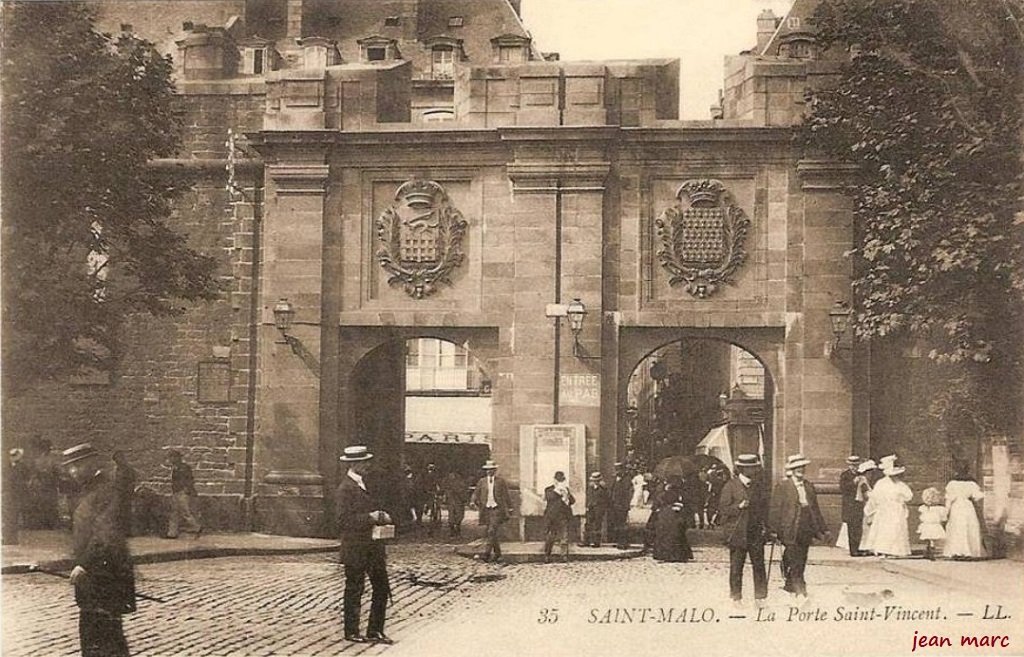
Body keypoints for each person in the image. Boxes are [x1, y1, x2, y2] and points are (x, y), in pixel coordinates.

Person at [60, 443, 135, 657]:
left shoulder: (107, 490)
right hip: (94, 579)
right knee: (96, 636)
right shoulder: (86, 490)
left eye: (77, 466)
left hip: (107, 576)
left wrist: (84, 564)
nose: (72, 472)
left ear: (91, 464)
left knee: (107, 638)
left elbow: (106, 533)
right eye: (70, 467)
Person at [335, 445, 393, 644]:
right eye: (363, 462)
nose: (367, 465)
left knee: (382, 587)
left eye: (367, 461)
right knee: (355, 588)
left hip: (373, 548)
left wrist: (381, 516)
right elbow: (343, 521)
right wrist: (370, 517)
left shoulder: (365, 483)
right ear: (353, 464)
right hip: (355, 548)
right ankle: (351, 631)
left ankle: (375, 630)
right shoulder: (345, 488)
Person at [770, 454, 828, 600]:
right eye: (797, 467)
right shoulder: (783, 486)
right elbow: (776, 509)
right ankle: (800, 590)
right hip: (789, 527)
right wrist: (773, 530)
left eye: (802, 467)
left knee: (801, 558)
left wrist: (824, 529)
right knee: (795, 558)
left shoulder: (809, 486)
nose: (800, 469)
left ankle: (790, 583)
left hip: (806, 526)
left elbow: (815, 509)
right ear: (792, 469)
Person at [718, 454, 769, 607]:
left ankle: (760, 598)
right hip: (737, 532)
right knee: (736, 566)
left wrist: (767, 528)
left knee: (759, 566)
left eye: (754, 468)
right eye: (749, 468)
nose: (753, 471)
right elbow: (723, 509)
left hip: (755, 533)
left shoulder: (758, 486)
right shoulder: (730, 486)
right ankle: (736, 598)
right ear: (742, 469)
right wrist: (738, 507)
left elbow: (764, 509)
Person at [861, 455, 912, 557]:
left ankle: (896, 550)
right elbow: (875, 498)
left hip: (897, 510)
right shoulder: (881, 484)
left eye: (896, 475)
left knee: (896, 528)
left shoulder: (900, 485)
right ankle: (883, 550)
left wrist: (900, 501)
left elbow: (908, 495)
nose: (894, 477)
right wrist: (870, 511)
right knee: (884, 529)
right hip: (884, 510)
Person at [470, 460, 513, 562]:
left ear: (495, 470)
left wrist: (510, 507)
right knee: (492, 533)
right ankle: (498, 553)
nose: (489, 471)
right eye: (487, 470)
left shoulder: (501, 481)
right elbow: (476, 493)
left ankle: (486, 554)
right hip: (486, 510)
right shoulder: (482, 481)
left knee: (491, 531)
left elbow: (506, 495)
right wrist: (473, 501)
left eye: (491, 470)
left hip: (497, 509)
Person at [943, 462, 987, 559]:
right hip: (967, 506)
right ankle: (970, 551)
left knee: (957, 528)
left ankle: (957, 551)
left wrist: (946, 511)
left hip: (957, 506)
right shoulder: (972, 484)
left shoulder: (952, 484)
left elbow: (949, 499)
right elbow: (977, 496)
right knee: (968, 526)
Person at [166, 450, 202, 539]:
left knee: (185, 512)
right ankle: (172, 533)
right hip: (176, 492)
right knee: (174, 512)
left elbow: (190, 480)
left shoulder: (185, 467)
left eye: (173, 457)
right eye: (170, 457)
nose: (171, 459)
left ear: (178, 458)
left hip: (182, 492)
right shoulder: (175, 468)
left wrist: (186, 490)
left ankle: (196, 527)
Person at [542, 471, 576, 562]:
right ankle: (547, 555)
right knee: (550, 537)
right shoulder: (549, 490)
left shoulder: (566, 489)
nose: (560, 482)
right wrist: (559, 492)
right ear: (554, 480)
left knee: (564, 537)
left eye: (562, 480)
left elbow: (572, 501)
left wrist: (566, 496)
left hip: (563, 516)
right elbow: (549, 498)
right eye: (558, 480)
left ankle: (564, 556)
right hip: (552, 517)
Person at [28, 437, 60, 529]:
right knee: (48, 504)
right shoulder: (49, 460)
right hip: (46, 485)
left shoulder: (39, 460)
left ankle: (45, 524)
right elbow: (57, 471)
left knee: (46, 503)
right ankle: (47, 523)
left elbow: (56, 472)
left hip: (45, 485)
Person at [839, 455, 865, 557]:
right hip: (849, 505)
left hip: (858, 504)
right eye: (852, 465)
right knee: (851, 528)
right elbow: (842, 488)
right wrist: (853, 483)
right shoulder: (845, 475)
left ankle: (857, 548)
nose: (854, 467)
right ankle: (853, 550)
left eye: (856, 465)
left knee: (858, 528)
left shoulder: (860, 475)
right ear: (849, 466)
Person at [3, 448, 28, 544]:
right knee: (8, 517)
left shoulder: (22, 467)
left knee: (13, 517)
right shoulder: (6, 467)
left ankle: (12, 539)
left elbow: (24, 480)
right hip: (8, 494)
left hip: (15, 494)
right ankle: (8, 539)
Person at [854, 459, 878, 554]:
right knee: (866, 527)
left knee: (869, 528)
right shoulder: (863, 481)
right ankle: (864, 547)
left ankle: (868, 547)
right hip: (866, 506)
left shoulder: (866, 481)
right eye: (870, 472)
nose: (871, 474)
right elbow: (864, 494)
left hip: (870, 506)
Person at [917, 487, 947, 560]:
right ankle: (930, 550)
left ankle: (929, 550)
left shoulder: (923, 508)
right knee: (932, 539)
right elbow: (943, 518)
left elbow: (921, 517)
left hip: (928, 525)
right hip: (934, 525)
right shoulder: (940, 509)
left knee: (930, 539)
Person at [112, 451, 137, 535]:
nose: (118, 461)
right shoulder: (116, 469)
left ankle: (127, 531)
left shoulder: (128, 469)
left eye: (119, 458)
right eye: (116, 460)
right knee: (118, 512)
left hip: (126, 493)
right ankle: (120, 530)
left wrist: (130, 492)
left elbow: (132, 481)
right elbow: (114, 481)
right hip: (118, 493)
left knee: (126, 512)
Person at [609, 463, 633, 549]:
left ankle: (623, 542)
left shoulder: (626, 479)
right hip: (615, 505)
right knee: (617, 524)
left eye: (618, 469)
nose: (617, 471)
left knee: (622, 524)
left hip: (622, 505)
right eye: (616, 469)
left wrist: (626, 504)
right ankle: (618, 540)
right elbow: (612, 490)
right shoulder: (616, 478)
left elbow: (628, 492)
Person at [582, 472, 608, 547]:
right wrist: (587, 506)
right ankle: (586, 541)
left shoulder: (603, 489)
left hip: (599, 508)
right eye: (593, 480)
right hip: (591, 508)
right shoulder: (590, 488)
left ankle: (596, 542)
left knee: (597, 525)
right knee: (588, 524)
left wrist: (602, 508)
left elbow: (605, 499)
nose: (595, 482)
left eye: (597, 480)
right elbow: (588, 497)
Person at [442, 471, 467, 539]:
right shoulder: (447, 481)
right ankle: (453, 532)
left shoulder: (460, 481)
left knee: (458, 516)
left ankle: (457, 531)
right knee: (452, 516)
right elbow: (444, 489)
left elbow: (463, 490)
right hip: (452, 501)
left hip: (458, 501)